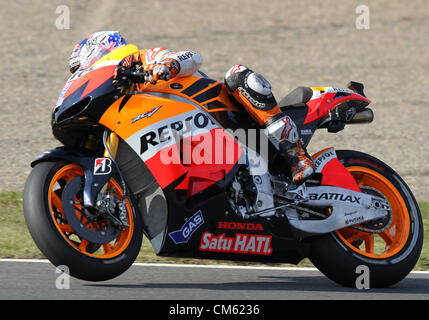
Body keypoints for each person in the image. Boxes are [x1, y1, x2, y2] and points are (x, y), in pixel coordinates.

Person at [68, 31, 314, 185]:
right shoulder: (126, 103)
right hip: (196, 146)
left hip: (226, 116)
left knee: (239, 76)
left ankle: (297, 157)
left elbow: (193, 57)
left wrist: (168, 65)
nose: (82, 74)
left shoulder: (144, 57)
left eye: (82, 68)